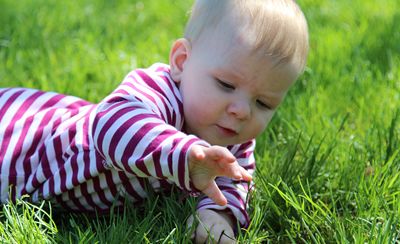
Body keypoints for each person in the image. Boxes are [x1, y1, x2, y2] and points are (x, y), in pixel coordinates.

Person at [0, 0, 308, 242]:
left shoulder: (234, 137)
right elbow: (110, 127)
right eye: (226, 85)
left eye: (263, 103)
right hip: (19, 144)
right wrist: (184, 157)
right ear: (182, 62)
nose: (242, 110)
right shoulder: (156, 91)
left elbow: (234, 183)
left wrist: (219, 215)